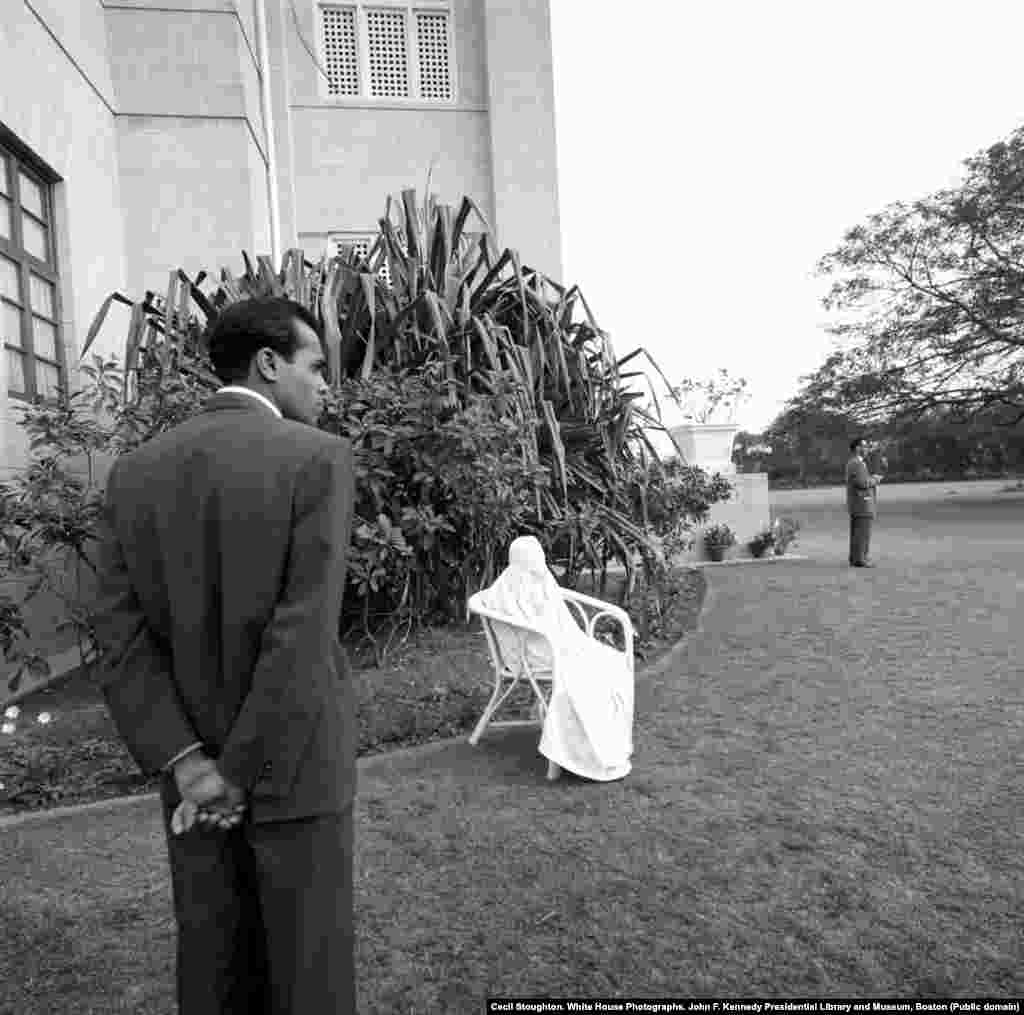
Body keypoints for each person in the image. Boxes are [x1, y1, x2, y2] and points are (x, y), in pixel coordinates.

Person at [89, 297, 357, 1014]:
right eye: (315, 366)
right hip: (297, 776)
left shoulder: (133, 472)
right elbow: (300, 636)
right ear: (269, 364)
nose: (326, 386)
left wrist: (191, 767)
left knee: (214, 974)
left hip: (191, 792)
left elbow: (117, 638)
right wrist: (236, 774)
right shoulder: (319, 460)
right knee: (311, 980)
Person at [477, 536, 634, 781]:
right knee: (583, 670)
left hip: (551, 646)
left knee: (608, 661)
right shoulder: (507, 590)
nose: (539, 567)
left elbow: (554, 616)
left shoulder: (540, 581)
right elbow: (521, 627)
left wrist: (566, 641)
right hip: (530, 659)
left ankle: (606, 743)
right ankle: (577, 750)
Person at [845, 436, 882, 567]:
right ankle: (861, 560)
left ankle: (856, 559)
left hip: (859, 503)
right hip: (862, 503)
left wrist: (870, 478)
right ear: (857, 448)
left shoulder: (857, 463)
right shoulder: (856, 463)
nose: (867, 449)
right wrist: (875, 480)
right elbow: (862, 483)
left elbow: (861, 480)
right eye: (864, 446)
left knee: (858, 534)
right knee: (862, 534)